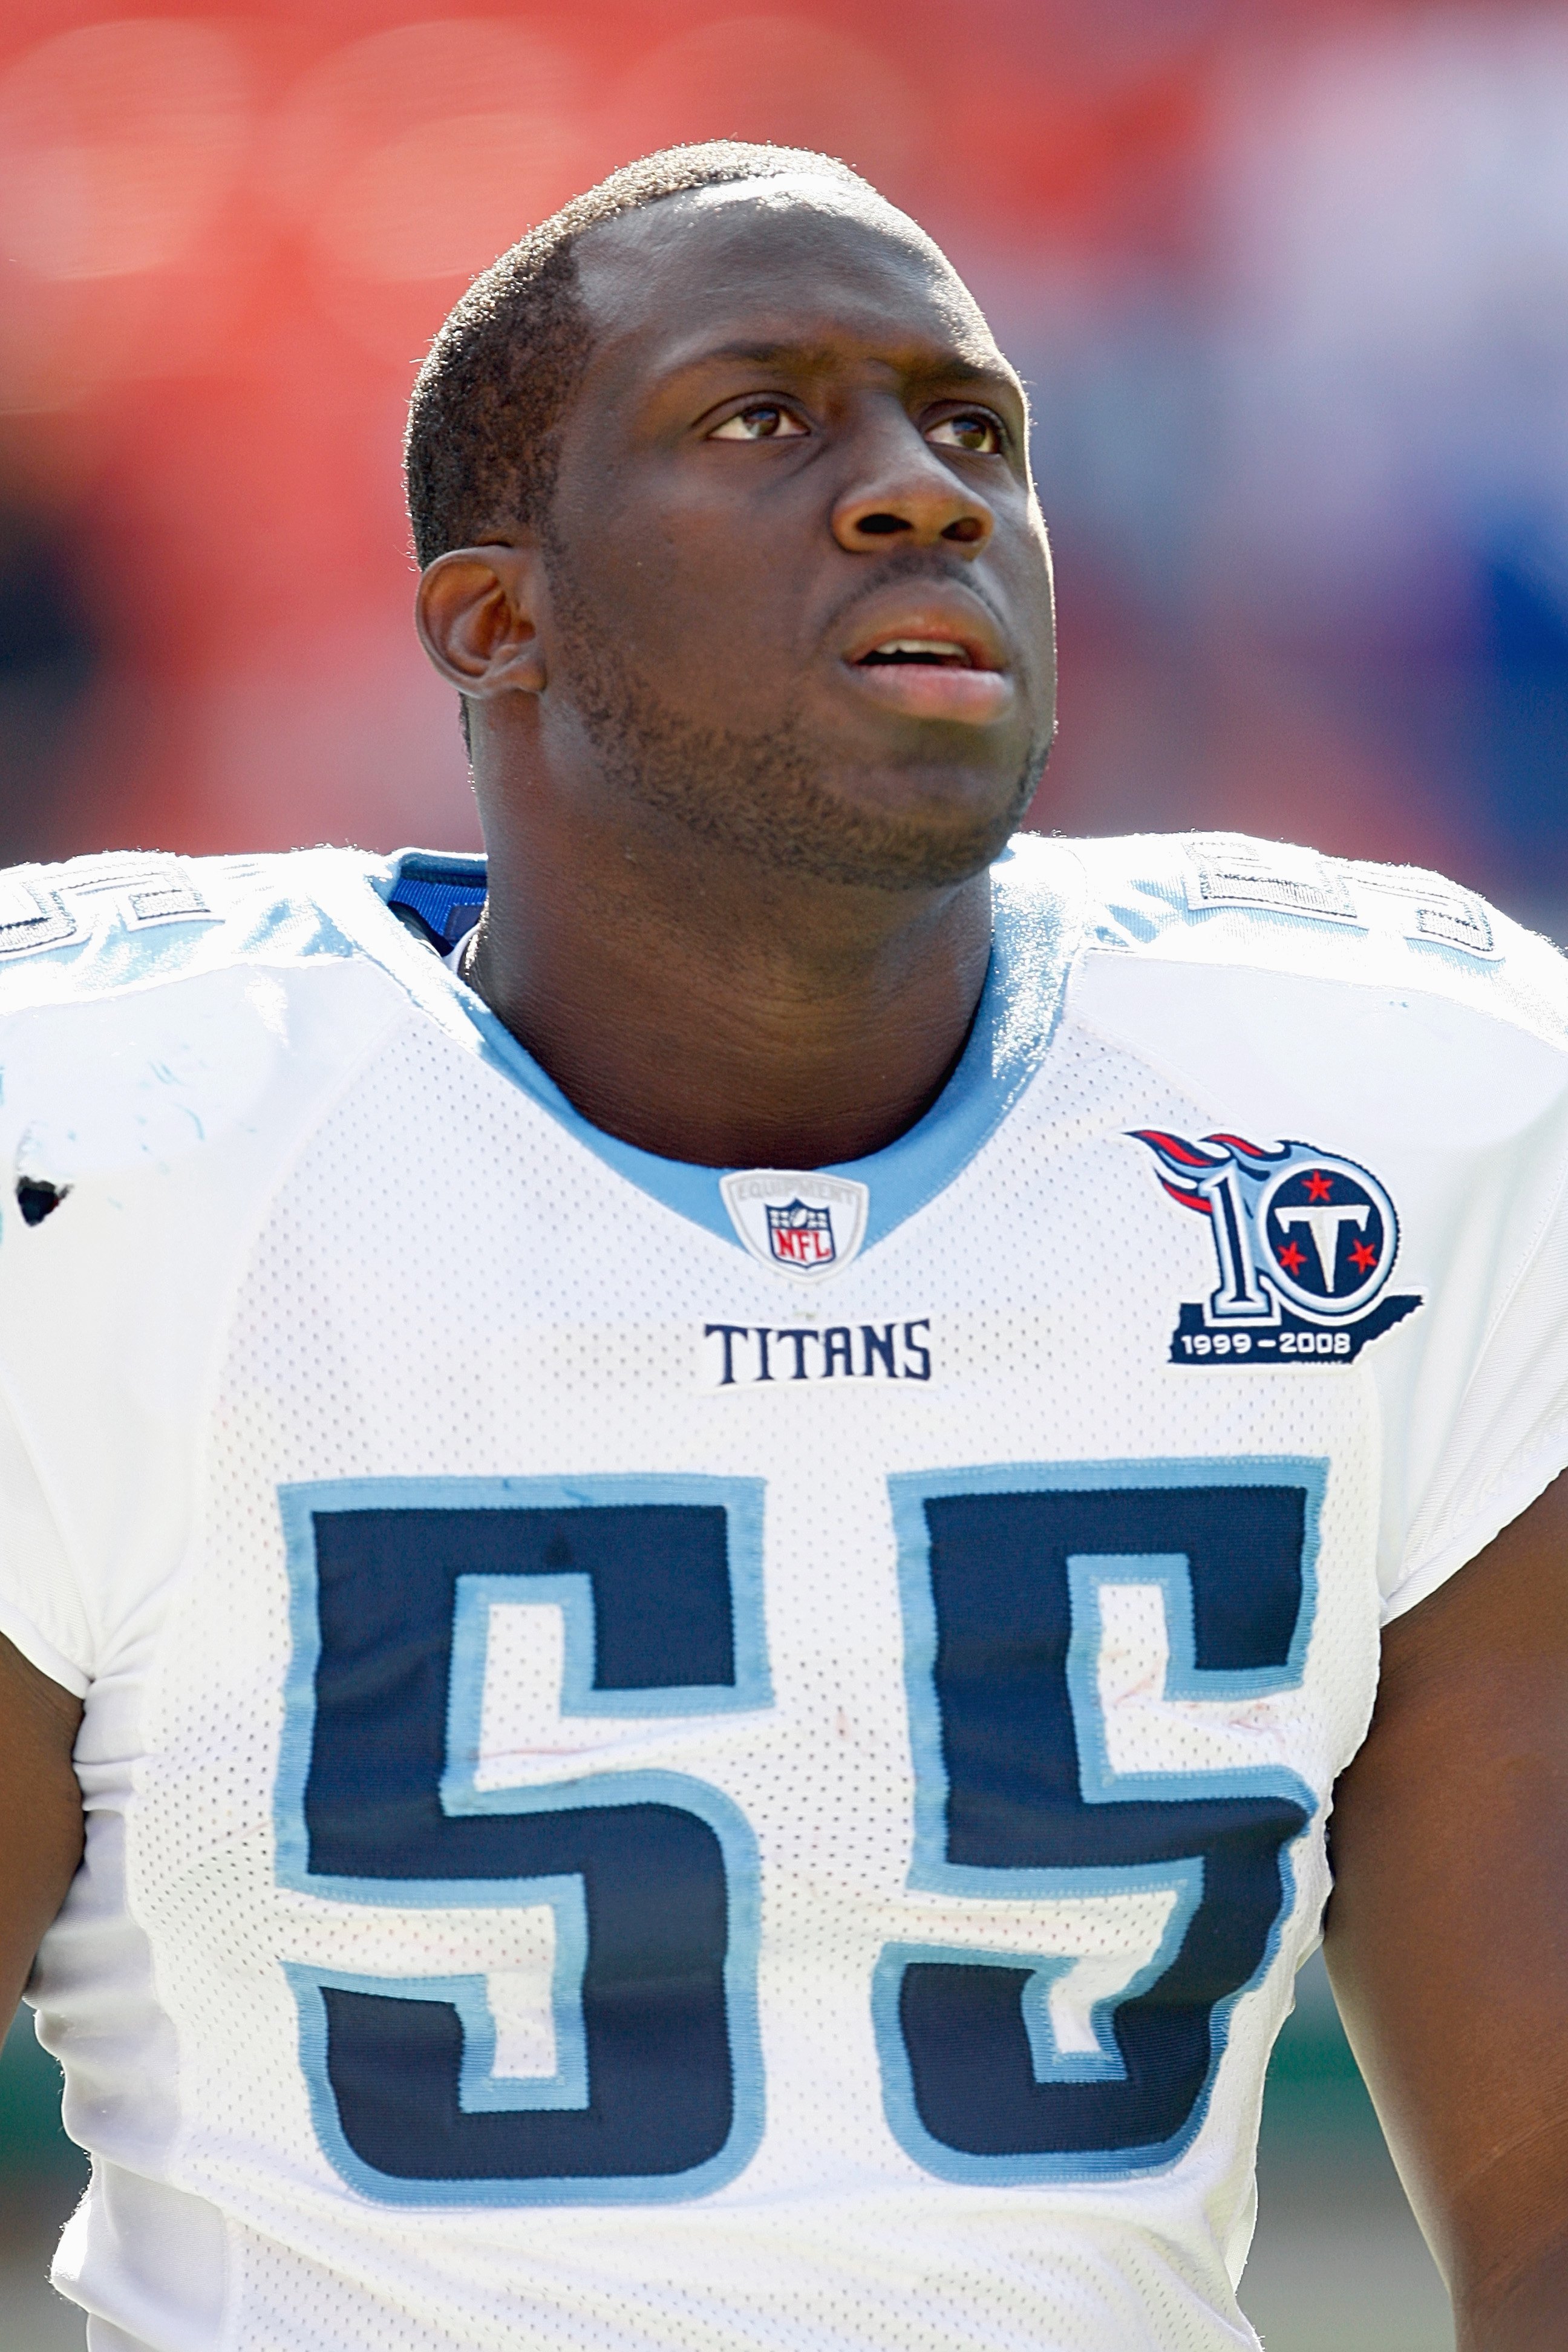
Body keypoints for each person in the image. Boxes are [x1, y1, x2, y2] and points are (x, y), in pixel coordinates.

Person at [0, 139, 1565, 2352]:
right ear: (494, 615)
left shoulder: (1400, 1100)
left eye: (976, 432)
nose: (921, 490)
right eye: (762, 415)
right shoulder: (104, 1148)